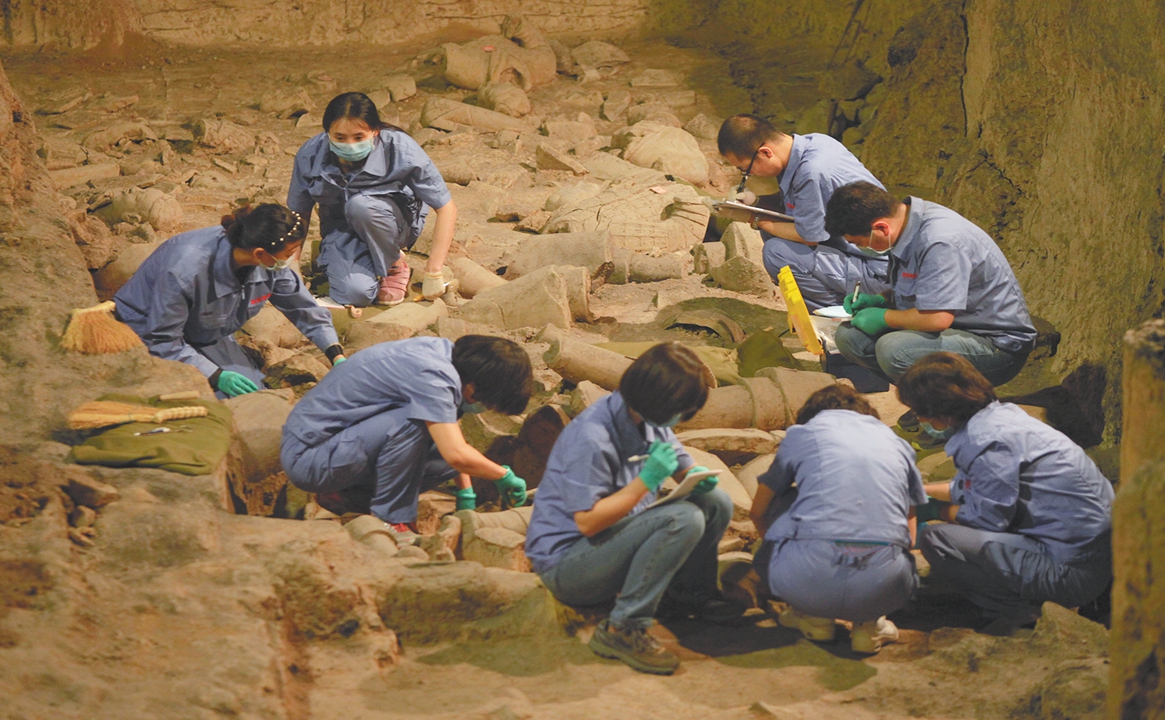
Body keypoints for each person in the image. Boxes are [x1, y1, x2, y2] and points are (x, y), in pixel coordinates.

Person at [524, 343, 741, 675]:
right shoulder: (592, 438)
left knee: (716, 502)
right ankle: (622, 628)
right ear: (656, 399)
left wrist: (697, 475)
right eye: (680, 411)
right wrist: (647, 478)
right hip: (568, 564)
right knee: (682, 519)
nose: (680, 420)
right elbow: (588, 522)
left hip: (615, 541)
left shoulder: (648, 418)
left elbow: (683, 466)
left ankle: (687, 596)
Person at [898, 353, 1114, 633]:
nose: (917, 417)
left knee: (937, 539)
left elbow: (986, 520)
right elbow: (973, 487)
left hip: (1074, 572)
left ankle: (1018, 612)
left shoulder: (987, 442)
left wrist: (933, 510)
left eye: (918, 410)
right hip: (1094, 554)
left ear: (943, 411)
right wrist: (921, 491)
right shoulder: (999, 417)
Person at [281, 335, 533, 537]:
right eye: (488, 403)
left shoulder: (448, 358)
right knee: (413, 426)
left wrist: (466, 497)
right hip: (309, 456)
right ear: (475, 386)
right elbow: (456, 454)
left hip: (340, 445)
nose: (484, 408)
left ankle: (345, 496)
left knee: (449, 458)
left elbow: (456, 445)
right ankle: (391, 520)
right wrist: (503, 475)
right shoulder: (434, 376)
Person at [748, 384, 925, 654]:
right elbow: (910, 530)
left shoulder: (802, 435)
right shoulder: (898, 445)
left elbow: (758, 511)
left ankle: (813, 615)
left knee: (785, 499)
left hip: (806, 579)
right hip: (885, 588)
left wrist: (773, 555)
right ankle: (870, 624)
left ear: (811, 415)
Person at [825, 182, 1037, 398]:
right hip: (955, 327)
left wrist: (885, 317)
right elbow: (921, 291)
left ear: (881, 228)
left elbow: (937, 318)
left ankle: (954, 409)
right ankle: (927, 398)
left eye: (860, 243)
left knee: (895, 350)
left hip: (996, 346)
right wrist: (879, 300)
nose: (862, 248)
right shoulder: (906, 224)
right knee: (849, 337)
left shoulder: (939, 241)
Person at [113, 203, 344, 399]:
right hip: (148, 329)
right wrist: (214, 375)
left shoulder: (271, 261)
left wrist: (336, 354)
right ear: (259, 253)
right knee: (205, 399)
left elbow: (303, 308)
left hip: (208, 331)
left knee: (254, 394)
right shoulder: (185, 268)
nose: (292, 259)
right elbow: (162, 339)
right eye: (289, 253)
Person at [288, 92, 457, 307]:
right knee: (355, 295)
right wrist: (291, 263)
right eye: (340, 137)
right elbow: (298, 212)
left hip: (393, 223)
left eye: (358, 137)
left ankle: (394, 264)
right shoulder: (310, 154)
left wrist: (433, 272)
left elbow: (446, 208)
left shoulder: (400, 149)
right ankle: (336, 255)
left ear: (375, 131)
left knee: (361, 206)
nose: (349, 144)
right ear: (327, 132)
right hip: (341, 228)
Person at [717, 114, 890, 310]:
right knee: (775, 229)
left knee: (778, 253)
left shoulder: (812, 172)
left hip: (879, 273)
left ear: (765, 152)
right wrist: (756, 202)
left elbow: (810, 236)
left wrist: (754, 217)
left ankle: (844, 314)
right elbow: (797, 205)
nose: (749, 176)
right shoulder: (815, 143)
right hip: (877, 259)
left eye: (745, 170)